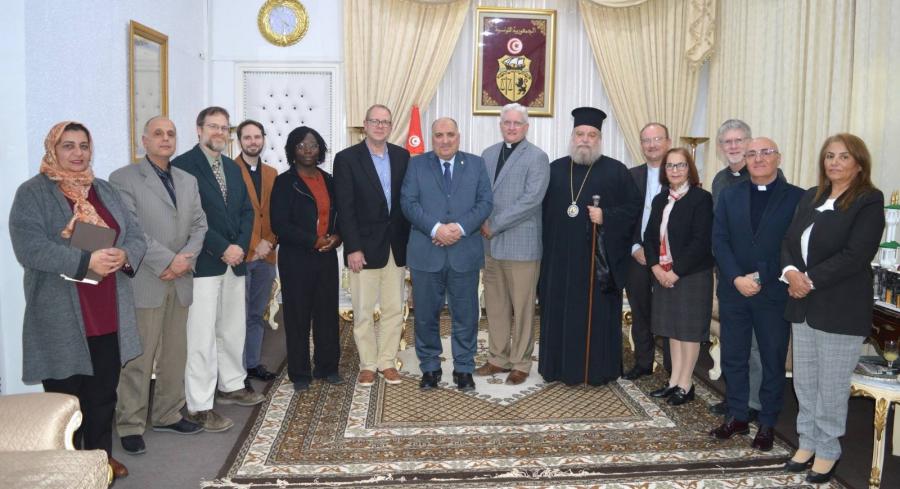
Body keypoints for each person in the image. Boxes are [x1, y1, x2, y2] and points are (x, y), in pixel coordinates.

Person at [9, 121, 148, 480]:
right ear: (53, 149)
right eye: (68, 146)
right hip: (61, 315)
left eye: (83, 145)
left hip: (107, 311)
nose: (77, 153)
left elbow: (134, 234)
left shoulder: (105, 190)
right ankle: (64, 470)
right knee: (65, 401)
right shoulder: (33, 193)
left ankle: (99, 459)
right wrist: (86, 261)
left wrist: (124, 255)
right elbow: (30, 249)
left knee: (103, 397)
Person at [780, 133, 885, 483]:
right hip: (803, 303)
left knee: (832, 386)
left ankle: (828, 450)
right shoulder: (812, 196)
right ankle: (806, 442)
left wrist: (807, 280)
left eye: (843, 156)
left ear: (859, 163)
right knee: (806, 382)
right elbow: (789, 241)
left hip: (839, 307)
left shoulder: (869, 200)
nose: (834, 163)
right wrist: (791, 272)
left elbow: (856, 254)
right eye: (829, 156)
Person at [111, 116, 207, 456]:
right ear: (144, 140)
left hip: (180, 278)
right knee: (138, 356)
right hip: (146, 279)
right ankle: (130, 424)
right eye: (158, 133)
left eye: (170, 133)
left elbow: (200, 224)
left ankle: (167, 413)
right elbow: (130, 229)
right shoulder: (123, 179)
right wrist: (167, 261)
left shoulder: (187, 179)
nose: (165, 139)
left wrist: (184, 260)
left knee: (174, 353)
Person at [709, 137, 803, 451]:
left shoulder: (797, 198)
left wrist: (760, 275)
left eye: (765, 152)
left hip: (773, 291)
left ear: (779, 157)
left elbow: (795, 247)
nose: (758, 158)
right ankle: (737, 414)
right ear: (745, 160)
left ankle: (767, 422)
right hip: (735, 291)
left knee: (772, 358)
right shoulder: (729, 195)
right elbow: (719, 240)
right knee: (734, 356)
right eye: (752, 154)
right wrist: (736, 277)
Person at [172, 106, 262, 433]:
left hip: (234, 262)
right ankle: (199, 404)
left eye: (224, 128)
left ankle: (233, 384)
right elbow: (190, 218)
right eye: (213, 127)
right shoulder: (182, 166)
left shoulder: (231, 167)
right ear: (198, 129)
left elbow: (245, 211)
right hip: (205, 263)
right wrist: (222, 247)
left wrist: (238, 245)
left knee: (232, 327)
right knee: (201, 336)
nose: (219, 133)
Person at [538, 107, 641, 386]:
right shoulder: (555, 170)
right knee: (559, 311)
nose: (585, 139)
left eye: (591, 135)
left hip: (598, 264)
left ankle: (597, 370)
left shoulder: (616, 171)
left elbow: (633, 210)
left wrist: (606, 215)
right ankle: (556, 368)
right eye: (580, 134)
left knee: (595, 318)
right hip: (559, 261)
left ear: (599, 138)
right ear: (572, 136)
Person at [400, 117, 493, 392]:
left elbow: (485, 202)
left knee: (465, 314)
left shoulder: (476, 164)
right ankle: (430, 367)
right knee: (426, 315)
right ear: (432, 138)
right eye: (439, 135)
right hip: (426, 253)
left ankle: (464, 368)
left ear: (458, 136)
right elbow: (408, 202)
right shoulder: (416, 164)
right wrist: (436, 229)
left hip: (464, 252)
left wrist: (460, 229)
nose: (444, 140)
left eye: (450, 134)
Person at [333, 104, 411, 387]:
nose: (380, 126)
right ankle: (367, 363)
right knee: (363, 310)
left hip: (396, 246)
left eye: (385, 122)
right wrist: (353, 247)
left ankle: (387, 362)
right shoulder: (347, 159)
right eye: (375, 121)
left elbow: (407, 203)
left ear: (391, 127)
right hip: (362, 249)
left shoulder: (403, 156)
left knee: (393, 307)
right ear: (364, 125)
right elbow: (345, 206)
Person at [476, 103, 549, 385]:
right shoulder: (488, 154)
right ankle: (497, 357)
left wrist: (493, 225)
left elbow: (531, 201)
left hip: (521, 246)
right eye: (507, 122)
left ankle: (521, 362)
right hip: (490, 247)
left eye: (517, 123)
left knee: (523, 307)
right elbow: (481, 195)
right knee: (495, 305)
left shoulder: (537, 157)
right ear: (500, 124)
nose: (511, 127)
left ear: (526, 127)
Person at [270, 126, 343, 392]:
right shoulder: (284, 182)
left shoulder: (330, 180)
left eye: (313, 145)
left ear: (320, 148)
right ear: (292, 150)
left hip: (326, 256)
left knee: (326, 313)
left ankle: (327, 367)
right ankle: (300, 373)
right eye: (301, 146)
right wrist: (312, 240)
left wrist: (337, 237)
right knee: (298, 315)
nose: (308, 150)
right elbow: (280, 223)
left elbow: (341, 216)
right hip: (296, 258)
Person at [644, 148, 714, 406]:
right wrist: (655, 268)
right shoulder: (661, 199)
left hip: (691, 274)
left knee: (689, 332)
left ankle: (686, 383)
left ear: (690, 169)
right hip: (664, 273)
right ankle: (674, 381)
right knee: (673, 330)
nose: (675, 170)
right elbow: (650, 237)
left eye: (680, 165)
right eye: (670, 166)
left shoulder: (701, 199)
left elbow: (700, 242)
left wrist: (674, 272)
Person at [708, 119, 762, 419]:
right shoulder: (719, 180)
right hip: (727, 274)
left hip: (755, 277)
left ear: (749, 142)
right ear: (720, 147)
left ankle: (754, 403)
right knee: (732, 343)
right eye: (727, 142)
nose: (733, 147)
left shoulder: (765, 176)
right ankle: (735, 398)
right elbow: (719, 231)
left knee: (754, 345)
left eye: (738, 141)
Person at [624, 122, 672, 381]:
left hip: (668, 258)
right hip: (638, 255)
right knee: (640, 309)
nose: (652, 145)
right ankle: (643, 362)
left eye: (657, 139)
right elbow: (624, 219)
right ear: (641, 145)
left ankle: (674, 369)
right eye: (646, 140)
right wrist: (634, 247)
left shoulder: (679, 174)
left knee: (670, 311)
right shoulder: (630, 176)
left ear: (668, 141)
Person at [234, 119, 280, 385]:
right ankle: (236, 371)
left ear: (263, 139)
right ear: (239, 141)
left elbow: (276, 213)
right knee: (237, 316)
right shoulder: (230, 170)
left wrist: (270, 242)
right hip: (242, 255)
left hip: (267, 256)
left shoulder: (272, 173)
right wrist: (255, 245)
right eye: (247, 137)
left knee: (256, 314)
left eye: (257, 137)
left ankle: (252, 364)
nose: (253, 141)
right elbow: (233, 217)